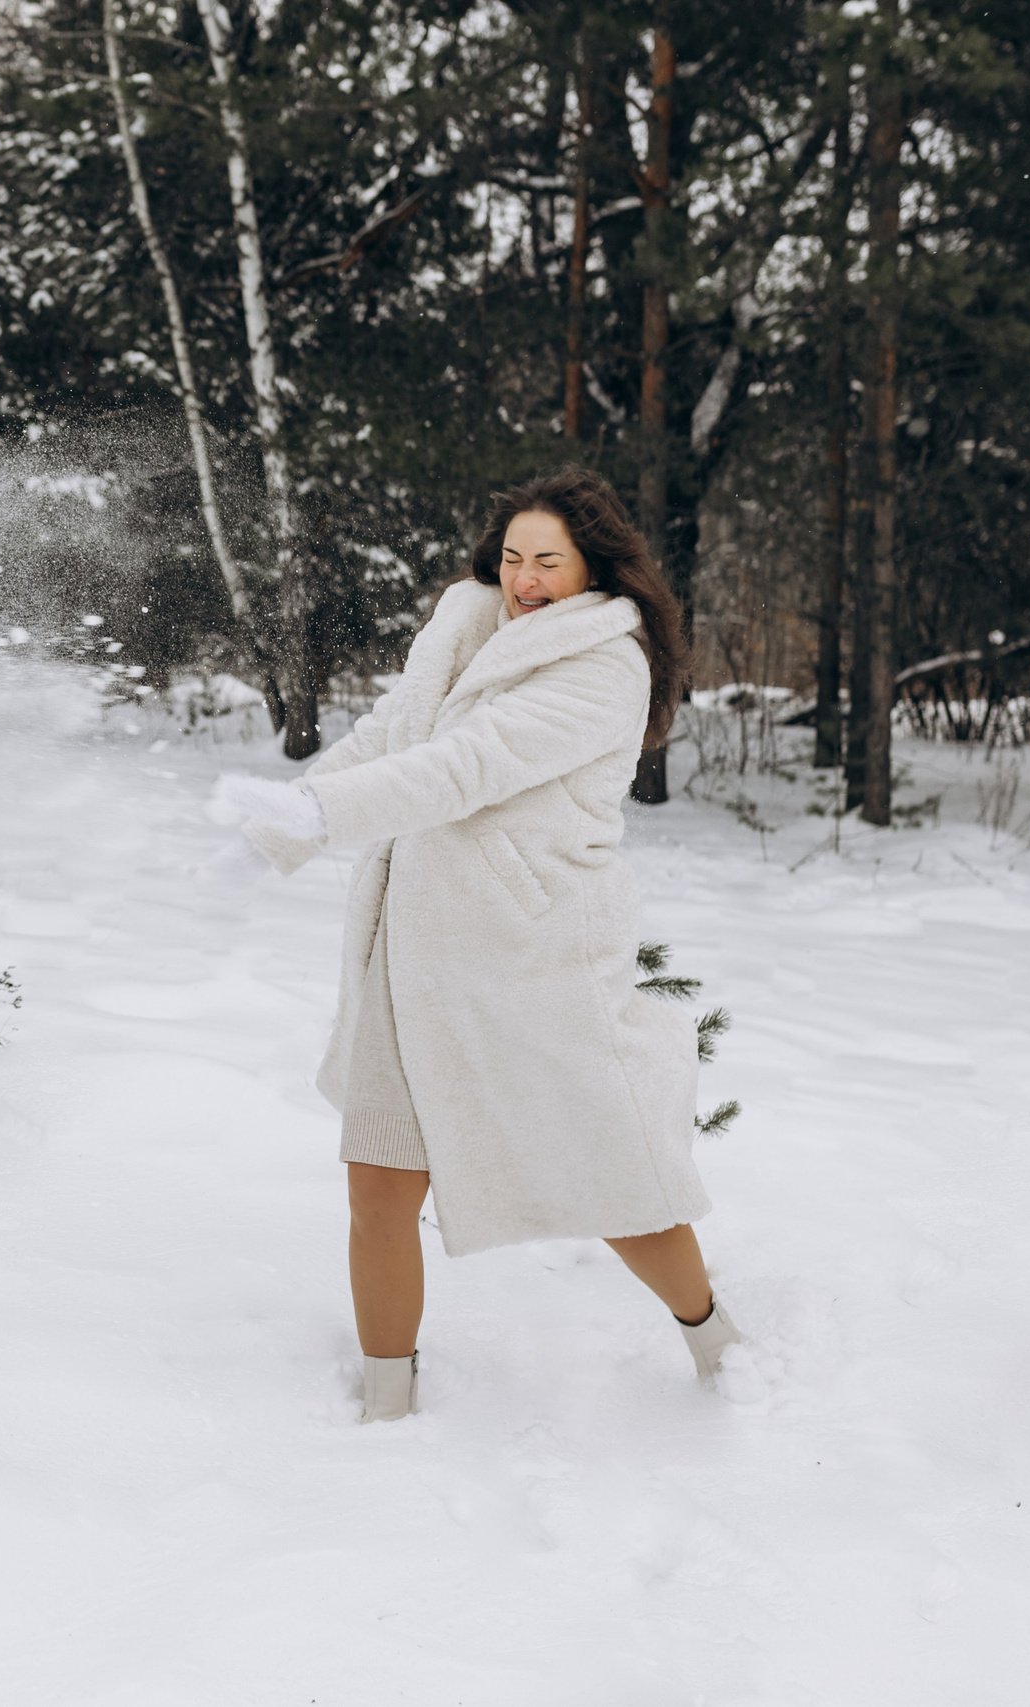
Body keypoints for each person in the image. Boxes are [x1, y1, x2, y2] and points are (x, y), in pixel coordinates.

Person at [214, 467, 744, 1422]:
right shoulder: (464, 627)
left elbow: (469, 767)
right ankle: (388, 1401)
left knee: (608, 1171)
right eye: (512, 557)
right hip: (408, 951)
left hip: (526, 955)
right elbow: (393, 732)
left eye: (549, 559)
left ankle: (716, 1341)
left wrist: (319, 810)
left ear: (593, 568)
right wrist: (278, 830)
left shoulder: (603, 665)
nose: (526, 578)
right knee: (377, 1186)